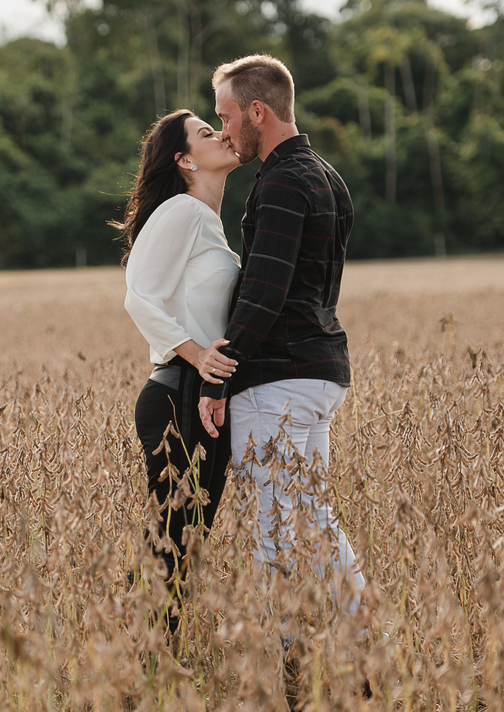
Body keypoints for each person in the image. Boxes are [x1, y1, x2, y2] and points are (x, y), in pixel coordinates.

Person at [198, 54, 366, 612]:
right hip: (320, 374)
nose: (222, 130)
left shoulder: (283, 183)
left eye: (224, 117)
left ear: (257, 111)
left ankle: (290, 661)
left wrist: (222, 370)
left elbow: (265, 290)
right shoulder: (325, 175)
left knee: (274, 531)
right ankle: (366, 648)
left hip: (278, 383)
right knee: (314, 520)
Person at [117, 109, 243, 623]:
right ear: (186, 159)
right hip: (177, 392)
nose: (222, 135)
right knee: (172, 538)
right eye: (206, 132)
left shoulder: (207, 222)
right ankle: (136, 656)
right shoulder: (182, 211)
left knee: (185, 538)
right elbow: (138, 298)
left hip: (202, 395)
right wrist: (196, 354)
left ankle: (146, 654)